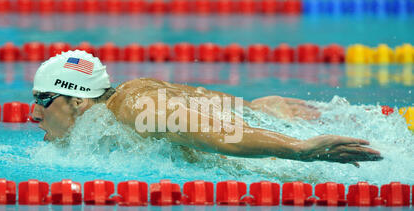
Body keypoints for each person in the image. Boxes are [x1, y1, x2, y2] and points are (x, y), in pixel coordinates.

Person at [32, 50, 382, 167]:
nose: (33, 114)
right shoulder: (133, 96)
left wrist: (300, 149)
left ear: (77, 100)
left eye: (42, 101)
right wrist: (252, 107)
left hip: (277, 159)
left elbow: (219, 136)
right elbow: (197, 99)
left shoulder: (133, 106)